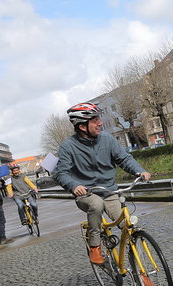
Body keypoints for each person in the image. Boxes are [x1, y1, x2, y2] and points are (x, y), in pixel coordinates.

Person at [53, 102, 151, 265]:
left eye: (99, 118)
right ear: (83, 126)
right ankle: (95, 247)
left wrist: (139, 171)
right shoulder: (68, 147)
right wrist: (74, 185)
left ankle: (141, 269)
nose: (100, 122)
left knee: (127, 225)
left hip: (109, 191)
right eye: (95, 119)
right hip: (86, 194)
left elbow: (124, 158)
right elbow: (61, 173)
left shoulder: (107, 139)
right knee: (96, 204)